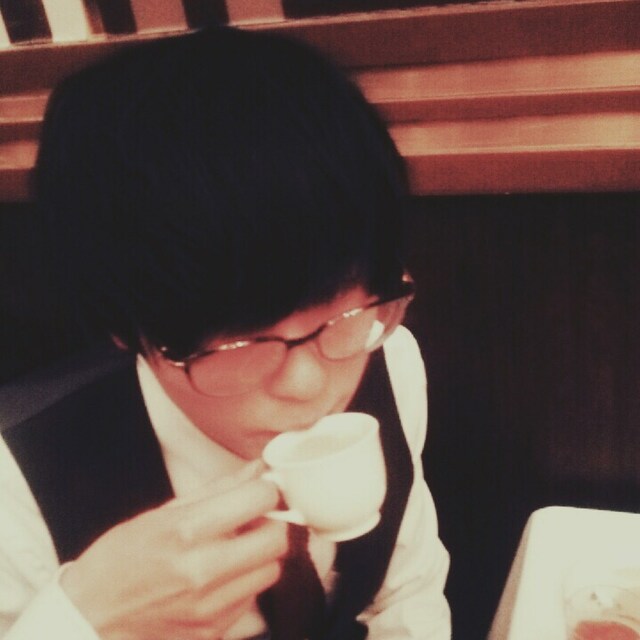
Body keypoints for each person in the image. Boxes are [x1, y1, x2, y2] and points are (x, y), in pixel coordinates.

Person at [0, 25, 450, 640]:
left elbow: (403, 592)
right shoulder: (17, 489)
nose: (308, 383)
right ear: (126, 330)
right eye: (241, 344)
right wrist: (79, 622)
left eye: (337, 311)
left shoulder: (388, 355)